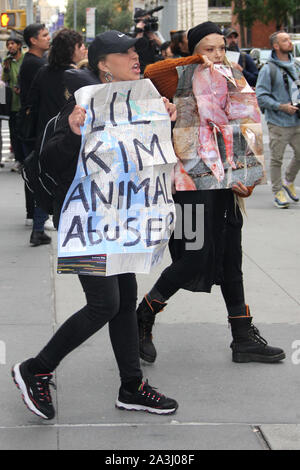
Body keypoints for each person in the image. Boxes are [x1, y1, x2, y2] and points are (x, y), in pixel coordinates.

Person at [12, 30, 178, 421]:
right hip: (85, 218)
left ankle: (131, 386)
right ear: (104, 65)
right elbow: (51, 159)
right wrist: (73, 132)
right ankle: (36, 368)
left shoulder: (142, 100)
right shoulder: (82, 100)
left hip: (123, 217)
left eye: (135, 50)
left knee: (124, 296)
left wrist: (164, 121)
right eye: (125, 52)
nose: (135, 56)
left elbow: (141, 161)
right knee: (105, 302)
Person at [137, 21, 286, 365]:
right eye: (209, 48)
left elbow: (248, 122)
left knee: (232, 256)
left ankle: (242, 336)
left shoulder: (234, 75)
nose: (217, 55)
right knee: (194, 257)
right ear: (194, 50)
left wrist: (247, 177)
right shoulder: (181, 75)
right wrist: (192, 61)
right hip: (190, 181)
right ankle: (142, 316)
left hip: (227, 179)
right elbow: (150, 71)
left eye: (221, 47)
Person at [256, 31, 300, 209]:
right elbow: (261, 96)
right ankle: (277, 191)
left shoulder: (296, 65)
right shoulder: (269, 69)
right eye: (285, 40)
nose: (289, 42)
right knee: (276, 159)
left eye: (289, 39)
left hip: (297, 120)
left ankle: (288, 181)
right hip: (278, 123)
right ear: (276, 45)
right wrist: (281, 106)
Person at [18, 23, 52, 245]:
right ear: (33, 40)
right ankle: (37, 216)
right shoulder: (35, 64)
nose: (48, 38)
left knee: (35, 170)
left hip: (34, 127)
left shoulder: (33, 62)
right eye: (44, 35)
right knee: (38, 172)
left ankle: (35, 215)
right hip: (36, 128)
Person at [1, 36, 24, 172]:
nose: (10, 46)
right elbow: (5, 80)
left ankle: (25, 159)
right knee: (14, 132)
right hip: (13, 103)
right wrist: (6, 68)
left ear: (19, 45)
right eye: (8, 44)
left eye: (13, 44)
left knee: (24, 133)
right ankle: (18, 159)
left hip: (25, 102)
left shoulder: (25, 59)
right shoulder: (7, 61)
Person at [132, 8, 162, 73]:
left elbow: (165, 48)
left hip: (154, 69)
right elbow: (135, 48)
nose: (148, 23)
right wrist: (139, 31)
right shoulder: (133, 36)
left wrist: (156, 39)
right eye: (146, 21)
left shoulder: (153, 34)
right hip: (141, 71)